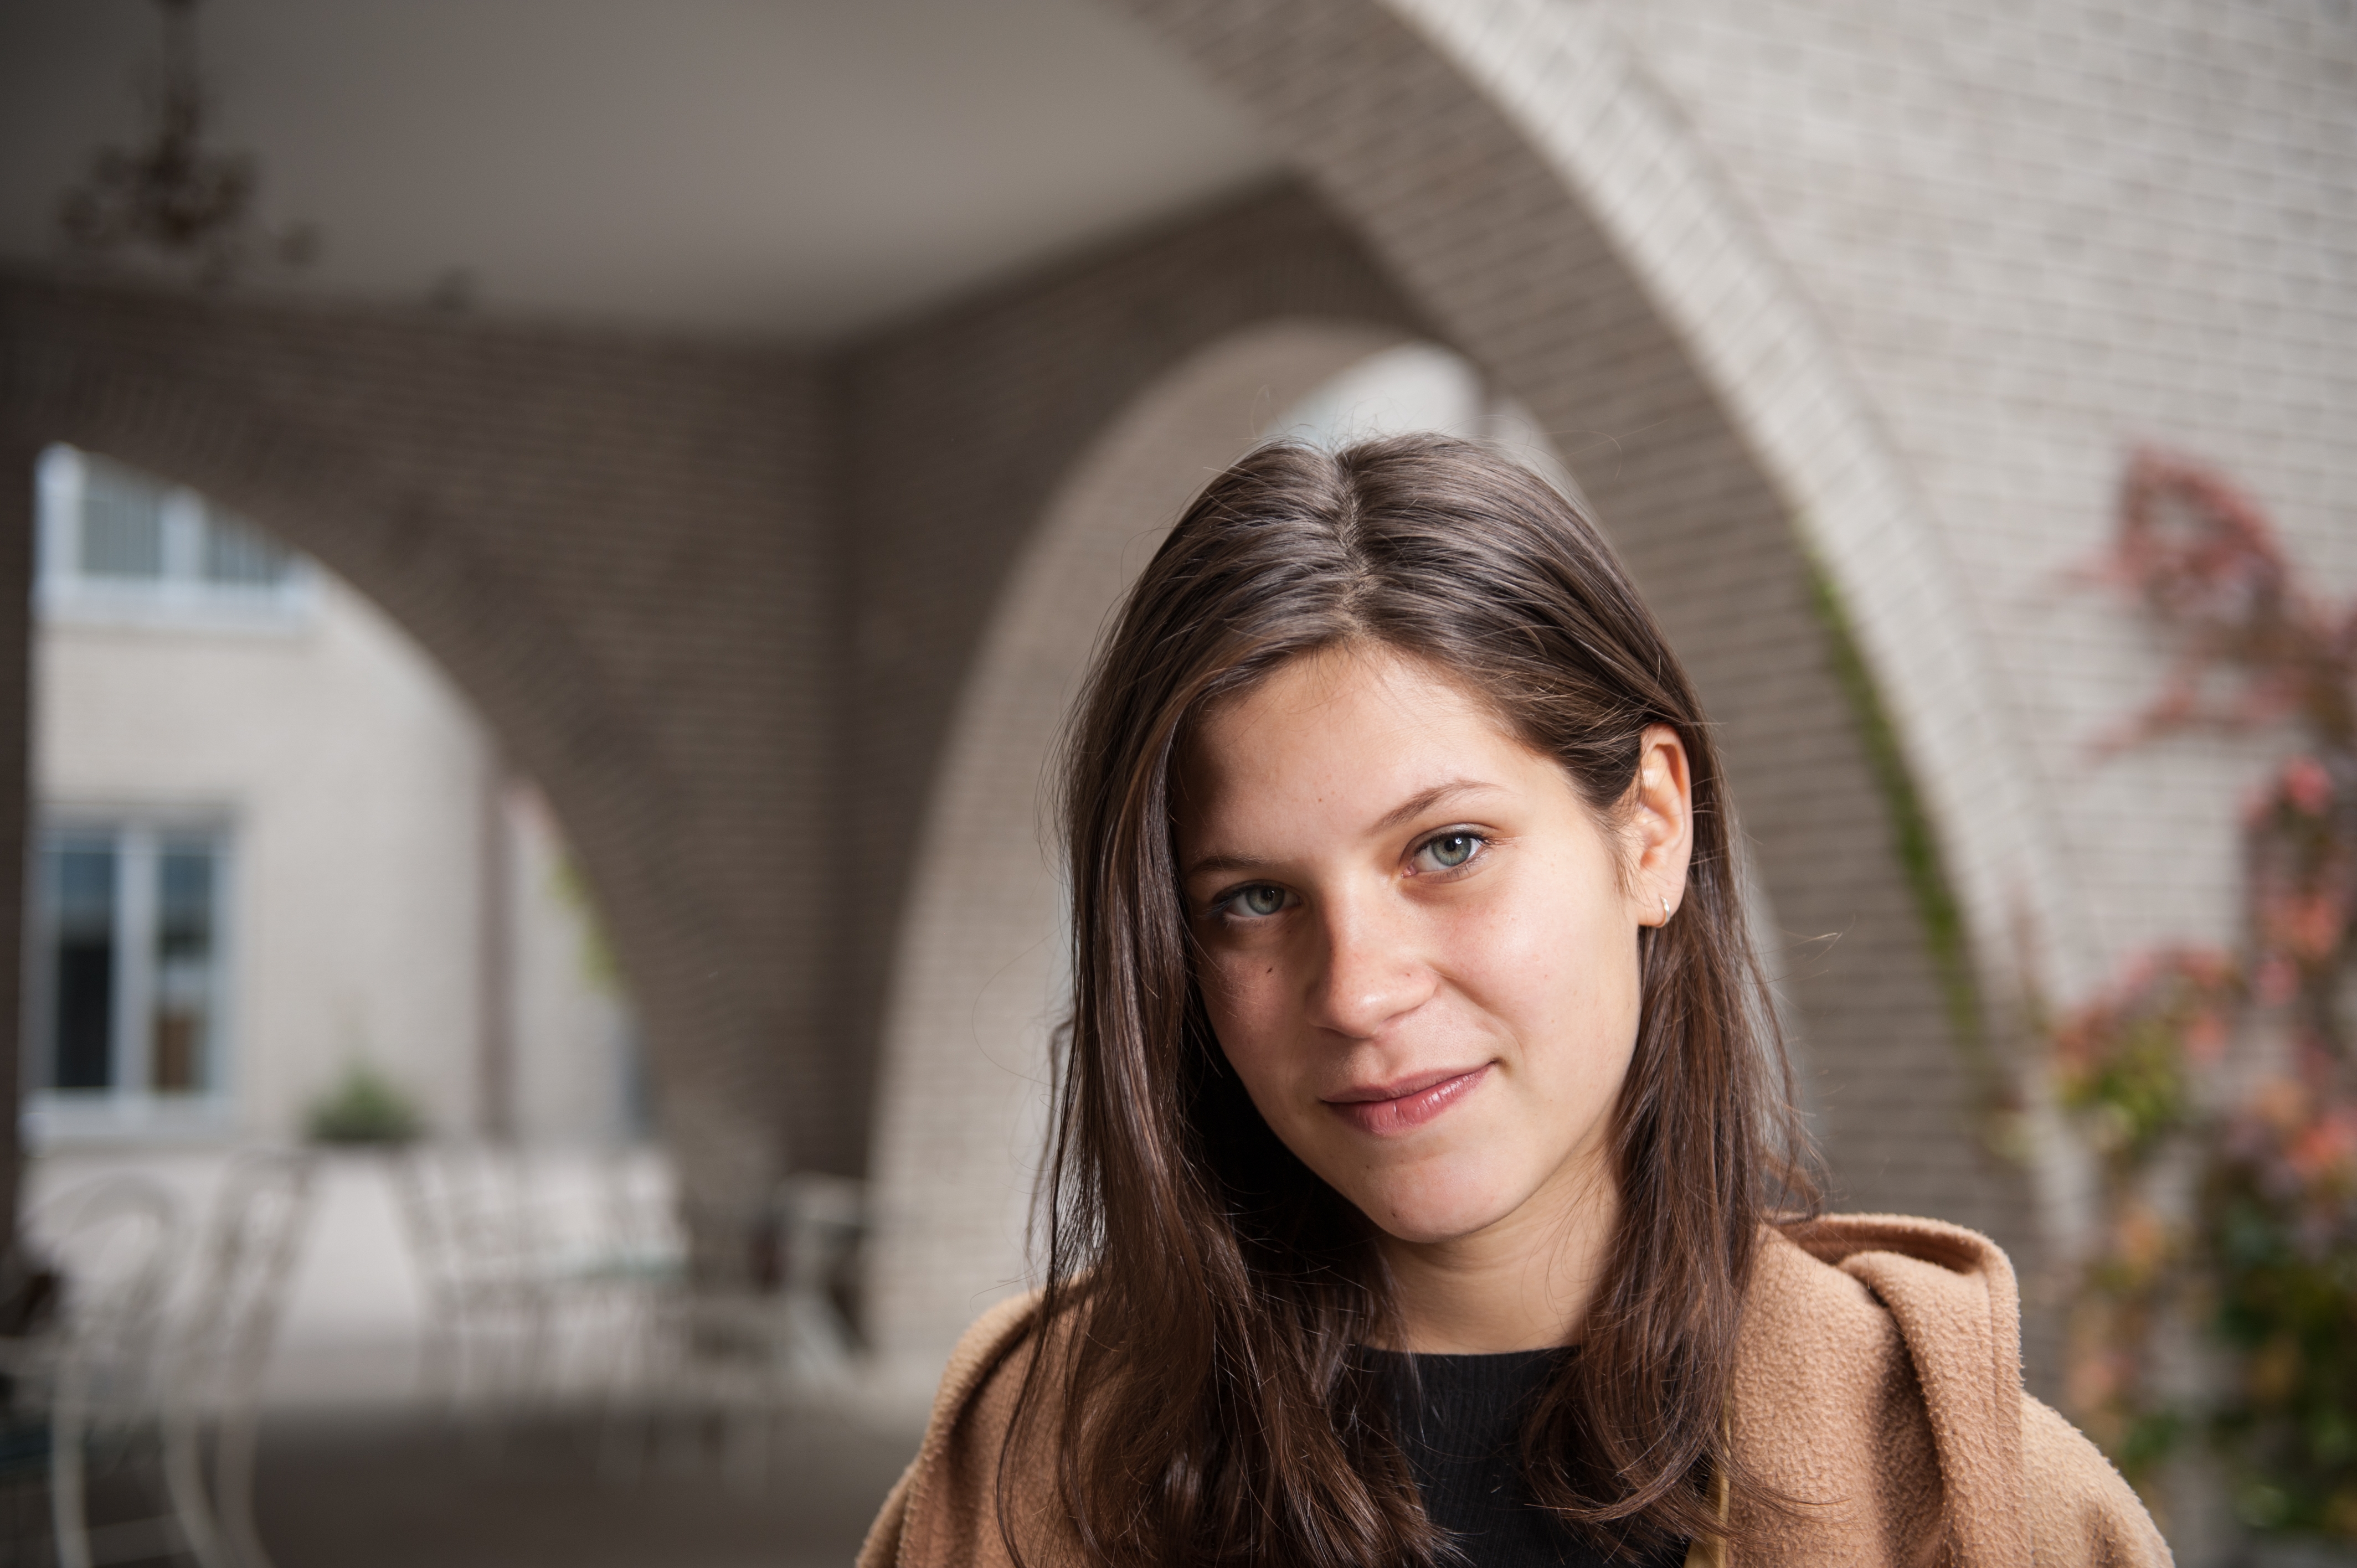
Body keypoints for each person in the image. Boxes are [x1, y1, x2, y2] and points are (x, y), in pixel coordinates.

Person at [860, 436, 2165, 1567]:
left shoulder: (1998, 1516)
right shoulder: (1012, 1486)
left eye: (1449, 848)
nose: (1358, 991)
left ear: (1651, 829)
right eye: (1252, 898)